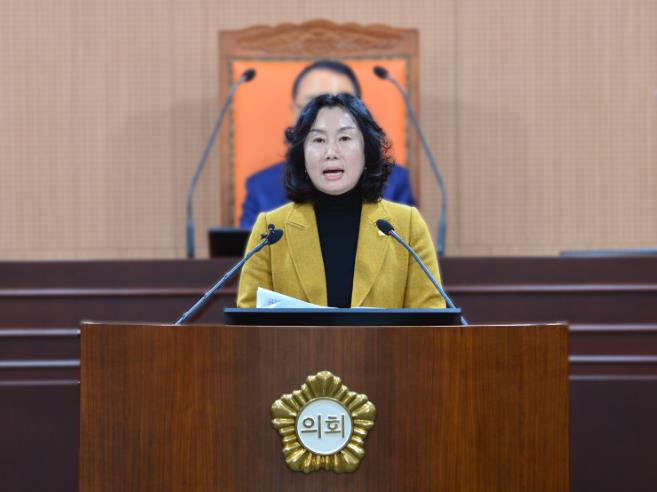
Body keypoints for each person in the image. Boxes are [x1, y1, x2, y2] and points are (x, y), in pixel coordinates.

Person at [237, 93, 445, 309]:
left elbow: (430, 315)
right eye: (318, 140)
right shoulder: (271, 231)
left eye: (344, 138)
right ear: (302, 155)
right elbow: (248, 318)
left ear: (366, 150)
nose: (331, 152)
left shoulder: (406, 226)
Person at [239, 59, 416, 228]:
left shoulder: (394, 183)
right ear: (293, 112)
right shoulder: (261, 188)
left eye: (341, 103)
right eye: (311, 104)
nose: (327, 113)